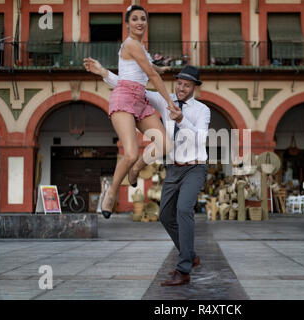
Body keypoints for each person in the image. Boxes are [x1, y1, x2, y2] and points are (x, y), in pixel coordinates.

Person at [88, 61, 210, 286]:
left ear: (194, 87)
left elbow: (201, 138)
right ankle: (190, 255)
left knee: (184, 210)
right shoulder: (165, 101)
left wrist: (182, 121)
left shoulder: (203, 110)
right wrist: (104, 73)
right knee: (164, 216)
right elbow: (135, 88)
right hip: (174, 169)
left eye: (187, 85)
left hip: (195, 167)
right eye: (179, 84)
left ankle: (183, 270)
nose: (181, 89)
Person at [84, 5, 175, 219]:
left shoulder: (142, 50)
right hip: (124, 98)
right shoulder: (131, 44)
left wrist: (159, 68)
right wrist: (169, 102)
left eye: (143, 18)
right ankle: (111, 192)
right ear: (128, 24)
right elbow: (150, 75)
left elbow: (142, 71)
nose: (139, 22)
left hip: (140, 100)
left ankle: (135, 170)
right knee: (131, 152)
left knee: (165, 144)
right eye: (135, 19)